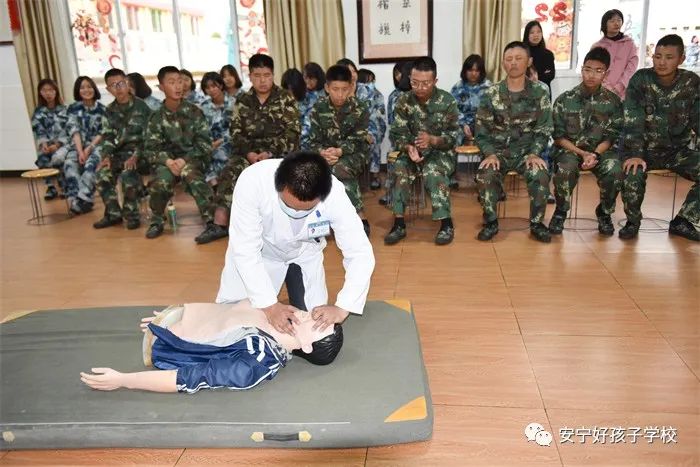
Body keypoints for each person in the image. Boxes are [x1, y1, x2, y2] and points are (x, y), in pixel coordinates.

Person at [216, 151, 375, 335]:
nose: (297, 213)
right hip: (261, 256)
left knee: (316, 336)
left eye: (306, 209)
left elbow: (359, 252)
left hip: (304, 255)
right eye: (289, 206)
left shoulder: (334, 193)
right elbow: (245, 250)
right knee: (235, 328)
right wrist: (270, 306)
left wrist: (343, 307)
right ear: (279, 186)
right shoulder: (253, 181)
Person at [80, 300, 343, 394]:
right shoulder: (279, 316)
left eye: (317, 323)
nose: (313, 314)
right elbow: (228, 314)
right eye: (318, 314)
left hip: (166, 346)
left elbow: (188, 378)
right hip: (177, 324)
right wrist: (176, 318)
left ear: (307, 346)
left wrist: (124, 380)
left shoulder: (255, 362)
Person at [210, 54, 300, 239]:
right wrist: (249, 153)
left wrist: (270, 153)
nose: (262, 80)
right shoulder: (243, 100)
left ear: (273, 75)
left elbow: (293, 133)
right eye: (257, 76)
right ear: (250, 76)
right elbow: (235, 133)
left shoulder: (286, 98)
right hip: (248, 154)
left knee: (289, 175)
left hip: (279, 153)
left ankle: (290, 224)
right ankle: (219, 223)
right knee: (229, 172)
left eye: (267, 75)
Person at [619, 34, 699, 241]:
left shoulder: (691, 83)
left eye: (669, 57)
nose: (662, 62)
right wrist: (635, 153)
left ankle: (684, 220)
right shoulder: (641, 80)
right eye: (657, 56)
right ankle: (632, 222)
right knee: (632, 173)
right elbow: (633, 119)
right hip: (643, 150)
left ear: (681, 59)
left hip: (676, 151)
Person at [475, 41, 553, 243]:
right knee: (486, 174)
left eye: (519, 58)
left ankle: (537, 223)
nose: (513, 63)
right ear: (503, 63)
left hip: (527, 153)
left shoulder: (540, 91)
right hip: (498, 152)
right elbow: (481, 131)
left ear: (529, 61)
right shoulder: (491, 93)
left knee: (540, 174)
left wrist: (535, 153)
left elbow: (544, 128)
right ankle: (491, 222)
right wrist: (490, 153)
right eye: (509, 59)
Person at [384, 56, 461, 246]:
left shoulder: (447, 101)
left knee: (433, 172)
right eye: (415, 82)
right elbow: (397, 133)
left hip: (440, 153)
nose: (420, 87)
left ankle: (446, 224)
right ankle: (399, 224)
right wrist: (408, 147)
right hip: (412, 152)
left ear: (435, 81)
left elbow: (454, 137)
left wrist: (433, 140)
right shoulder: (403, 101)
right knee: (399, 169)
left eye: (425, 83)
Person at [548, 47, 624, 236]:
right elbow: (558, 137)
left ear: (606, 74)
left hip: (601, 151)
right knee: (566, 168)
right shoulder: (565, 100)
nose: (591, 75)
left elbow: (611, 136)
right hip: (570, 150)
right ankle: (560, 212)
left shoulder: (613, 102)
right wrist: (582, 153)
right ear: (582, 70)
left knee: (614, 169)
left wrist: (595, 154)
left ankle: (604, 212)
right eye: (588, 69)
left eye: (598, 71)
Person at [143, 66, 220, 243]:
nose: (178, 86)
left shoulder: (194, 112)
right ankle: (156, 221)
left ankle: (211, 221)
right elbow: (151, 148)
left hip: (193, 159)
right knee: (161, 181)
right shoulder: (156, 117)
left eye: (180, 81)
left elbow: (204, 144)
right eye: (172, 82)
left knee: (190, 174)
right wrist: (168, 162)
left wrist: (184, 160)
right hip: (168, 163)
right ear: (161, 87)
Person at [307, 65, 370, 235]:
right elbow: (312, 140)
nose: (340, 94)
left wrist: (339, 151)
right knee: (316, 171)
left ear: (351, 87)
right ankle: (356, 217)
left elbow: (359, 139)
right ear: (327, 88)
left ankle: (353, 215)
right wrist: (322, 153)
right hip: (325, 155)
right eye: (335, 89)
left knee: (338, 168)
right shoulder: (318, 108)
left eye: (344, 89)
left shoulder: (360, 107)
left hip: (355, 154)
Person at [93, 68, 151, 230]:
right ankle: (113, 214)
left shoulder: (142, 107)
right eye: (113, 85)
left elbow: (149, 138)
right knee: (102, 175)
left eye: (121, 83)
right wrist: (106, 156)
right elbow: (108, 137)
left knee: (128, 174)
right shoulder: (109, 110)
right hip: (118, 155)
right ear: (108, 89)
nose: (118, 88)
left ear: (127, 83)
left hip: (141, 154)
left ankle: (132, 215)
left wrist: (136, 156)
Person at [336, 58, 386, 191]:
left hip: (366, 130)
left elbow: (372, 118)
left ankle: (373, 175)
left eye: (354, 71)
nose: (352, 75)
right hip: (345, 133)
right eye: (348, 72)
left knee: (370, 137)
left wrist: (364, 133)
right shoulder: (337, 92)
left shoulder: (367, 91)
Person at [62, 76, 107, 215]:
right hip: (78, 146)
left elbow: (102, 133)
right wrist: (80, 151)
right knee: (69, 164)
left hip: (97, 146)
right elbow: (74, 131)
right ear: (78, 91)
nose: (86, 90)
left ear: (94, 88)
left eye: (89, 86)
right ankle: (78, 200)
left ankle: (82, 199)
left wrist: (89, 148)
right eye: (82, 87)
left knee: (91, 165)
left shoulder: (103, 109)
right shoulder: (73, 108)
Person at [31, 78, 68, 200]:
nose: (48, 93)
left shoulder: (64, 109)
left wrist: (57, 145)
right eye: (44, 90)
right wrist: (44, 144)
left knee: (58, 158)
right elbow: (38, 131)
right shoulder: (38, 112)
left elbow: (68, 130)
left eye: (51, 90)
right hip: (48, 145)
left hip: (63, 144)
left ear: (56, 91)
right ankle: (51, 187)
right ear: (40, 93)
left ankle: (64, 186)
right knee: (42, 158)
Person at [592, 9, 639, 100]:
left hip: (624, 92)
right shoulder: (597, 46)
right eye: (612, 21)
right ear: (605, 24)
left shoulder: (630, 44)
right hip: (601, 91)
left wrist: (619, 87)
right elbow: (594, 69)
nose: (616, 23)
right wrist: (606, 87)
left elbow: (631, 68)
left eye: (619, 20)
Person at [200, 71, 233, 186]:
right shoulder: (204, 106)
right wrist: (208, 143)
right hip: (210, 143)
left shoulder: (234, 103)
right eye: (208, 88)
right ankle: (214, 184)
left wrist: (220, 141)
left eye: (214, 86)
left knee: (221, 153)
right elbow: (201, 129)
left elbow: (237, 128)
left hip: (229, 141)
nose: (211, 90)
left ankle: (220, 183)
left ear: (221, 85)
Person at [451, 55, 491, 146]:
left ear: (481, 72)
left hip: (483, 124)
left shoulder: (489, 87)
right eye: (470, 70)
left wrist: (479, 125)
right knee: (453, 135)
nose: (473, 73)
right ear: (465, 71)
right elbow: (453, 109)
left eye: (477, 71)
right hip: (462, 124)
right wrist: (463, 124)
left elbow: (492, 110)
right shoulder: (458, 87)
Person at [523, 21, 556, 95]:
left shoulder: (548, 54)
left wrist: (534, 76)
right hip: (525, 92)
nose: (536, 35)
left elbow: (550, 75)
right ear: (527, 35)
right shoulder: (522, 53)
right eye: (532, 32)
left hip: (543, 93)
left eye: (538, 32)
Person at [299, 62, 326, 148]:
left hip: (316, 138)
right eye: (305, 78)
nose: (308, 81)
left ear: (318, 78)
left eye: (311, 78)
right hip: (300, 137)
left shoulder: (324, 94)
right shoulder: (302, 93)